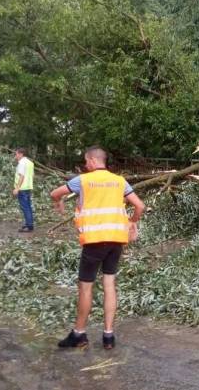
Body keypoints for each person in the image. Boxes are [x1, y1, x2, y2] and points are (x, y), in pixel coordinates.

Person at [51, 146, 145, 350]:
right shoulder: (120, 181)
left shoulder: (83, 180)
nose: (85, 165)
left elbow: (55, 193)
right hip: (116, 240)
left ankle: (79, 334)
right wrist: (132, 222)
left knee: (86, 286)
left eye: (86, 161)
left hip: (94, 240)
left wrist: (58, 203)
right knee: (109, 283)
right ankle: (108, 336)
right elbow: (140, 206)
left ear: (93, 160)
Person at [12, 147, 35, 232]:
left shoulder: (21, 163)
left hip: (22, 189)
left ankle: (29, 226)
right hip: (28, 187)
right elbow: (32, 175)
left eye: (16, 154)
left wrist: (17, 188)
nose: (16, 156)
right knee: (28, 206)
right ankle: (28, 224)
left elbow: (21, 176)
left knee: (25, 207)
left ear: (21, 154)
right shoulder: (30, 163)